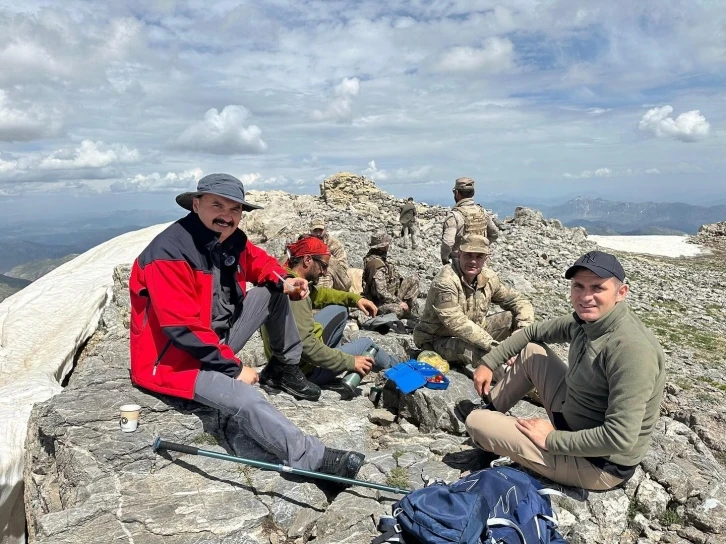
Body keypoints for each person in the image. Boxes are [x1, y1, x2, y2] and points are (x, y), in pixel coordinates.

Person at [129, 173, 364, 479]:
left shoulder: (231, 239)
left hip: (215, 340)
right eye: (217, 206)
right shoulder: (169, 253)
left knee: (274, 292)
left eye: (235, 209)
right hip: (176, 360)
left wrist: (286, 281)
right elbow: (181, 327)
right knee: (245, 397)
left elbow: (261, 263)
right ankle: (311, 458)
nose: (227, 216)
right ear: (197, 205)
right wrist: (233, 368)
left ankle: (284, 369)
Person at [463, 251, 666, 491]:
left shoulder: (631, 350)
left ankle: (489, 429)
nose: (585, 297)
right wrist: (489, 362)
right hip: (574, 418)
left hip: (598, 465)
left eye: (598, 288)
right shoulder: (587, 322)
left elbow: (620, 438)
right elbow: (532, 333)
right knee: (532, 351)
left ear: (621, 293)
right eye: (578, 286)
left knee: (475, 421)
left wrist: (552, 440)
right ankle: (494, 416)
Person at [261, 236, 399, 390]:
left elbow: (322, 295)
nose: (325, 272)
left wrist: (355, 299)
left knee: (339, 309)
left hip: (284, 358)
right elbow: (307, 347)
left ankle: (332, 356)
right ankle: (402, 373)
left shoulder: (288, 279)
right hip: (302, 370)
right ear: (307, 260)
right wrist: (350, 361)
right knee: (367, 345)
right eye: (323, 266)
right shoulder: (296, 295)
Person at [413, 234, 534, 371]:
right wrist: (496, 347)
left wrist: (522, 330)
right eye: (468, 255)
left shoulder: (488, 278)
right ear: (459, 255)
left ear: (485, 259)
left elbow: (519, 301)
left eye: (479, 257)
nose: (473, 261)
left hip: (476, 330)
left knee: (511, 318)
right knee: (484, 354)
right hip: (437, 339)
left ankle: (529, 365)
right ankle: (517, 382)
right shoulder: (445, 282)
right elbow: (456, 322)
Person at [441, 177, 499, 264]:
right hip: (480, 260)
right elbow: (494, 234)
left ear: (456, 193)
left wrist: (445, 258)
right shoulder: (483, 212)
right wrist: (480, 247)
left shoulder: (454, 216)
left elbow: (448, 242)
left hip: (461, 261)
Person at [362, 232, 419, 318]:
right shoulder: (376, 265)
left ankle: (407, 309)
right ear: (384, 246)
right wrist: (399, 302)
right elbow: (381, 293)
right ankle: (405, 312)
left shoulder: (379, 259)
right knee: (398, 310)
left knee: (413, 279)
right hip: (378, 302)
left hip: (390, 295)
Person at [309, 217, 352, 292]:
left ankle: (324, 295)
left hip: (336, 276)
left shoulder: (333, 244)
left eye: (320, 230)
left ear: (325, 230)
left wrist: (324, 265)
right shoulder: (306, 243)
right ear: (311, 231)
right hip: (312, 274)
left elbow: (342, 265)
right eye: (315, 230)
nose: (318, 233)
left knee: (327, 262)